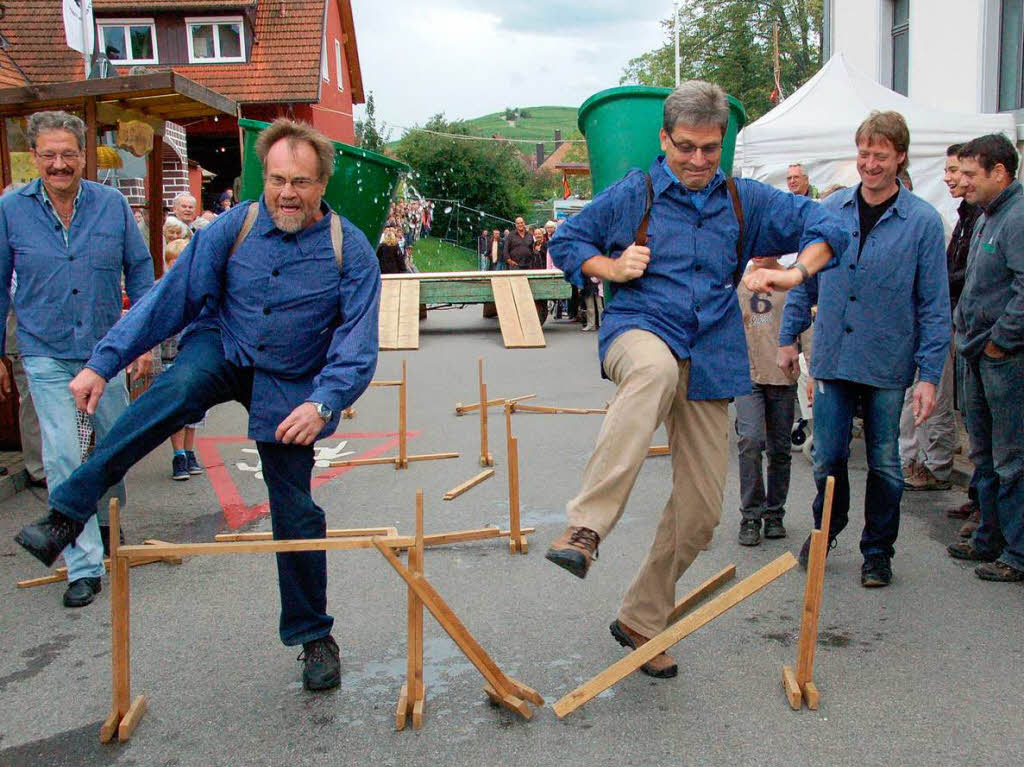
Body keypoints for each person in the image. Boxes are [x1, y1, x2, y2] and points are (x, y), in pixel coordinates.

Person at [14, 118, 381, 689]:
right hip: (224, 345)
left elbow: (357, 344)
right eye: (278, 179)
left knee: (297, 510)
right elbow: (169, 299)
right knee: (176, 390)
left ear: (322, 184)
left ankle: (313, 637)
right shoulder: (235, 225)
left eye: (301, 183)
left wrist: (323, 405)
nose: (287, 193)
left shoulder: (349, 250)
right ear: (265, 178)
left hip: (290, 377)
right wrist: (102, 363)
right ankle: (67, 513)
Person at [545, 80, 847, 678]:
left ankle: (640, 617)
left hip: (711, 352)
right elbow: (566, 241)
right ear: (665, 139)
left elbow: (831, 226)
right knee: (653, 372)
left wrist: (794, 274)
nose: (698, 161)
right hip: (641, 328)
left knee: (703, 512)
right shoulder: (634, 195)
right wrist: (610, 265)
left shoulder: (744, 201)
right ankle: (586, 528)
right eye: (686, 147)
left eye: (710, 148)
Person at [779, 110, 950, 588]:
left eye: (880, 155)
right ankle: (826, 528)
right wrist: (787, 338)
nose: (870, 164)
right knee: (828, 456)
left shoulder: (922, 223)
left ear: (900, 158)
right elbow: (803, 281)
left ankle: (877, 551)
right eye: (863, 154)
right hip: (833, 357)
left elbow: (934, 304)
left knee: (886, 462)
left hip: (887, 361)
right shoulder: (830, 211)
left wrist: (929, 374)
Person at [0, 110, 154, 608]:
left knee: (111, 451)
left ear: (83, 156)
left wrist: (145, 339)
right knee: (65, 455)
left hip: (106, 350)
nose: (60, 164)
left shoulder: (111, 206)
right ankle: (83, 565)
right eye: (49, 155)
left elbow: (142, 270)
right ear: (35, 158)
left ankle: (108, 519)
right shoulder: (10, 210)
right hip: (43, 352)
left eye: (68, 154)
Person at [945, 133, 1024, 583]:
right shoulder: (988, 216)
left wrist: (1000, 341)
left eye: (972, 174)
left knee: (1011, 457)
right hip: (979, 354)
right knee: (986, 455)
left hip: (1003, 359)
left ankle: (1016, 553)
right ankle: (989, 537)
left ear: (1000, 172)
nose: (964, 182)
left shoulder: (1015, 217)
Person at [900, 145, 978, 493]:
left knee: (937, 395)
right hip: (908, 324)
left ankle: (939, 465)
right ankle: (911, 461)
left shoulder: (935, 221)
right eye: (946, 171)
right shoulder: (962, 219)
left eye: (955, 170)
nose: (949, 177)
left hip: (942, 322)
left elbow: (951, 277)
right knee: (909, 397)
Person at [734, 255, 809, 546]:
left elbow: (807, 327)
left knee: (779, 448)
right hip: (747, 375)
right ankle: (750, 514)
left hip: (782, 375)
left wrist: (812, 373)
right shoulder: (739, 283)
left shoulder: (793, 281)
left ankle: (774, 513)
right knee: (750, 441)